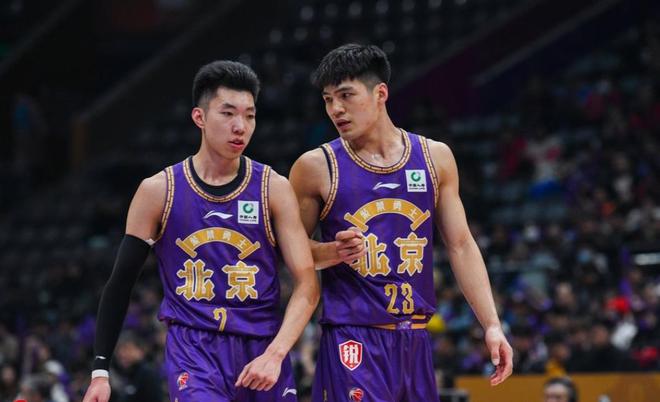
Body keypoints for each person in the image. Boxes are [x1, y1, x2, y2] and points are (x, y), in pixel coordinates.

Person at [82, 60, 319, 402]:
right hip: (194, 353)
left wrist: (276, 353)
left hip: (263, 347)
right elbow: (120, 283)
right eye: (228, 113)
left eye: (250, 116)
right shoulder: (158, 191)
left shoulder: (273, 187)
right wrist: (100, 371)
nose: (240, 126)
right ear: (200, 117)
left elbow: (307, 282)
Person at [289, 44, 513, 401]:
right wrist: (331, 252)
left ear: (380, 94)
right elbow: (288, 250)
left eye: (346, 95)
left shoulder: (435, 158)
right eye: (328, 100)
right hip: (353, 337)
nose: (335, 109)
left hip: (415, 339)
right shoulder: (315, 167)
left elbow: (461, 244)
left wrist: (491, 325)